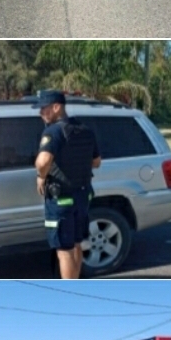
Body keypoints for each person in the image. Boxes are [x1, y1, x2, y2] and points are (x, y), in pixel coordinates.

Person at [34, 90, 102, 278]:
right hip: (82, 196)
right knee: (76, 244)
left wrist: (41, 176)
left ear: (56, 107)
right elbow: (96, 162)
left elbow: (42, 162)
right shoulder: (85, 130)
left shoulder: (53, 131)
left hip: (61, 199)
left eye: (43, 109)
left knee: (64, 251)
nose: (40, 113)